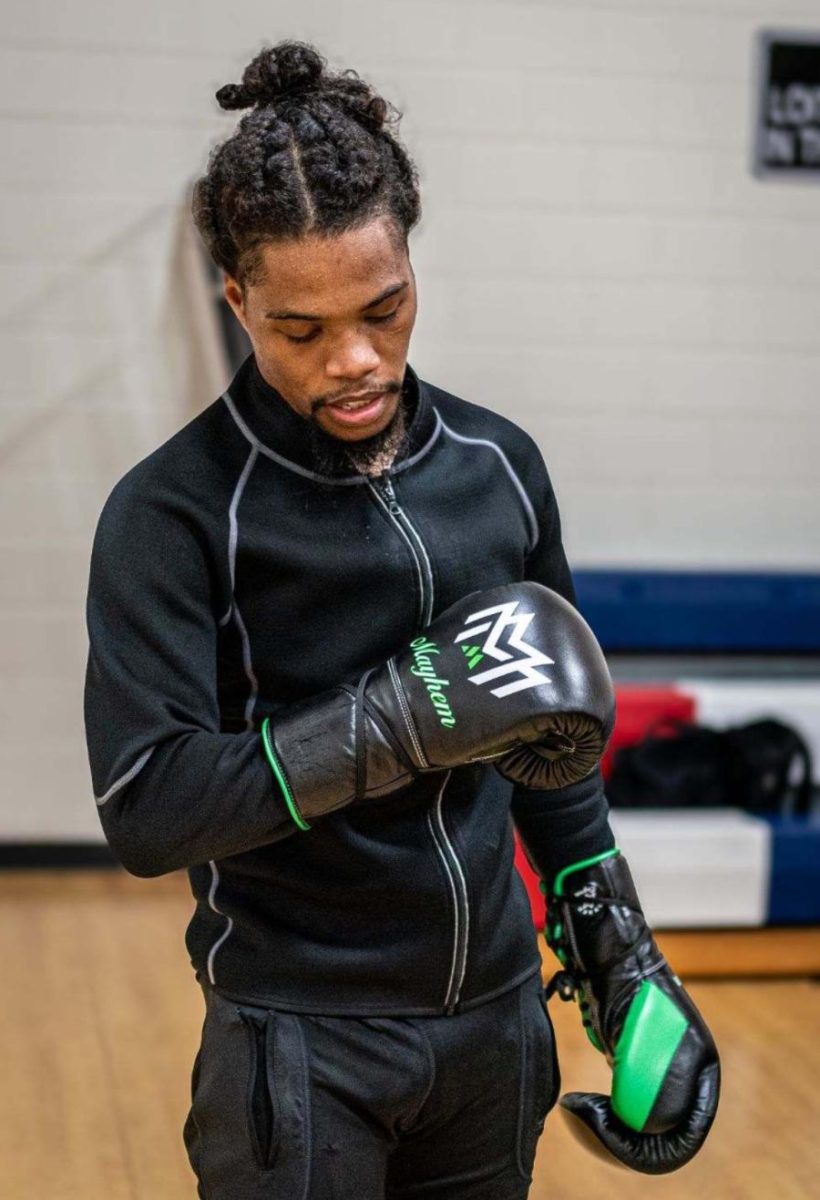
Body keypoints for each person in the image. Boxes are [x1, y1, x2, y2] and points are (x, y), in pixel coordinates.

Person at [83, 40, 719, 1199]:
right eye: (301, 331)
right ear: (238, 300)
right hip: (300, 1039)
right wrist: (396, 721)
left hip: (494, 1023)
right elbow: (149, 805)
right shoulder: (172, 514)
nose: (356, 360)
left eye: (384, 307)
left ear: (412, 261)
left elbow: (550, 747)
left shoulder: (497, 467)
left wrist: (623, 960)